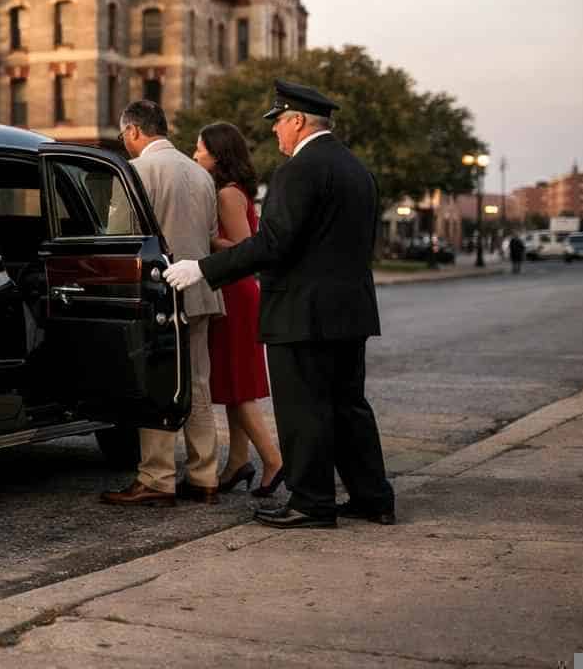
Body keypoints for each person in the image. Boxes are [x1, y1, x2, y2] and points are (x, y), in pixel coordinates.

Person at [165, 80, 395, 529]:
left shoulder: (299, 170)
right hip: (350, 310)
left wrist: (204, 268)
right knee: (349, 407)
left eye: (279, 122)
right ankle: (373, 498)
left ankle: (311, 502)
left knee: (303, 410)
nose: (275, 131)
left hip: (302, 312)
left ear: (298, 121)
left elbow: (272, 244)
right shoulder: (356, 169)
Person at [101, 100, 224, 508]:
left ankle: (157, 477)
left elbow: (119, 237)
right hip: (201, 290)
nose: (125, 142)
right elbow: (209, 234)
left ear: (134, 131)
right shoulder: (200, 174)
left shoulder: (135, 171)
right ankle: (205, 476)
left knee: (157, 382)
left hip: (157, 294)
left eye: (124, 135)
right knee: (198, 383)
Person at [193, 122, 284, 496]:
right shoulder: (234, 191)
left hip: (235, 293)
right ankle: (237, 462)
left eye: (199, 149)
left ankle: (274, 461)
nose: (195, 155)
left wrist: (208, 240)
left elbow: (245, 249)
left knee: (239, 388)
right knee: (234, 384)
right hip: (235, 291)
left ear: (218, 155)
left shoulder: (228, 194)